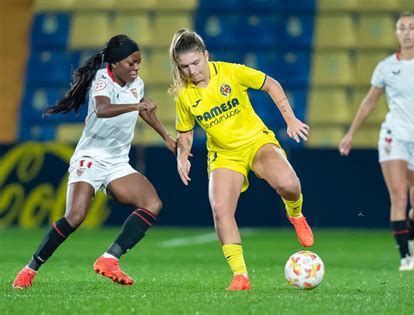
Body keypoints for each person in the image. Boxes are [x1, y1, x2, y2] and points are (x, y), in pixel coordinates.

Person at [12, 34, 176, 289]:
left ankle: (110, 258)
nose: (136, 67)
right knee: (75, 216)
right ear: (115, 63)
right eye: (132, 62)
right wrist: (136, 105)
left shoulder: (137, 84)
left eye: (139, 62)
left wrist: (166, 137)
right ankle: (29, 269)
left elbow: (144, 110)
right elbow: (102, 109)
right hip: (90, 157)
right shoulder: (102, 80)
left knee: (152, 203)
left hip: (117, 161)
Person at [169, 29, 314, 290]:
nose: (191, 71)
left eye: (195, 63)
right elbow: (185, 132)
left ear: (206, 55)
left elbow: (271, 84)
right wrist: (182, 156)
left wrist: (290, 119)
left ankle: (296, 214)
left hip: (256, 142)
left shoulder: (231, 72)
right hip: (224, 154)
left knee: (290, 185)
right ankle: (240, 276)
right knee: (221, 209)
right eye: (184, 67)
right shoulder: (184, 95)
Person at [339, 12, 414, 271]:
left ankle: (408, 238)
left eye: (411, 28)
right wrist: (350, 133)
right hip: (393, 136)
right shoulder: (386, 67)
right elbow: (370, 101)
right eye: (401, 28)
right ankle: (405, 256)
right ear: (396, 33)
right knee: (398, 197)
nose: (406, 32)